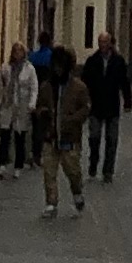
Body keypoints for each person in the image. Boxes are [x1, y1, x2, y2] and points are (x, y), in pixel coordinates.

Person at [38, 44, 91, 218]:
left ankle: (77, 192)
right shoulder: (46, 87)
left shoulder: (79, 87)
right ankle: (51, 202)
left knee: (72, 170)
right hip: (50, 135)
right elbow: (39, 106)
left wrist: (73, 119)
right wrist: (42, 113)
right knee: (49, 171)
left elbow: (85, 109)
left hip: (69, 137)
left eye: (61, 66)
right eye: (55, 66)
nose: (58, 70)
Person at [83, 29, 132, 182]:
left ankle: (108, 171)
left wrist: (127, 101)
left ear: (110, 43)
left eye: (105, 42)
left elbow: (124, 82)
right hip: (96, 105)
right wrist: (85, 101)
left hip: (112, 105)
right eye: (100, 42)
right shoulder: (92, 61)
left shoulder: (118, 61)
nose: (102, 45)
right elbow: (85, 82)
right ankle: (93, 163)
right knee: (94, 137)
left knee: (112, 139)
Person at [2, 42, 38, 174]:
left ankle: (18, 165)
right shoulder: (7, 68)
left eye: (20, 51)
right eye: (15, 51)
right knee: (5, 134)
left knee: (20, 136)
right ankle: (1, 163)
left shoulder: (29, 69)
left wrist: (32, 104)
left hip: (23, 105)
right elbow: (3, 84)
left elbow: (34, 88)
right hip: (9, 104)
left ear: (24, 53)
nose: (17, 54)